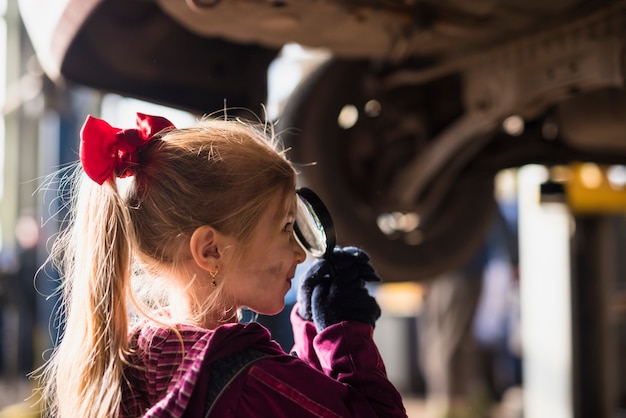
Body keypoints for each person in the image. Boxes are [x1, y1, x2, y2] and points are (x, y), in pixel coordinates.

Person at [34, 112, 407, 418]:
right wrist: (343, 331)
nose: (298, 253)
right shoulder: (249, 377)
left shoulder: (141, 358)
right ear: (210, 250)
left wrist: (308, 331)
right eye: (285, 227)